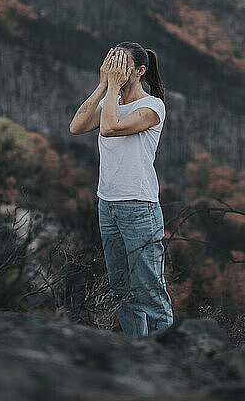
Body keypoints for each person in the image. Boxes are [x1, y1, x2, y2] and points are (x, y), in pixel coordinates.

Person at [69, 41, 174, 337]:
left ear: (140, 71)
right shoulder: (109, 101)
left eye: (120, 63)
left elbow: (109, 128)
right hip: (108, 204)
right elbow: (76, 126)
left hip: (139, 206)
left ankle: (168, 357)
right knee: (121, 290)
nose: (114, 68)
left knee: (150, 290)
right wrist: (103, 85)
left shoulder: (152, 107)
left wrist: (112, 89)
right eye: (110, 61)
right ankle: (136, 352)